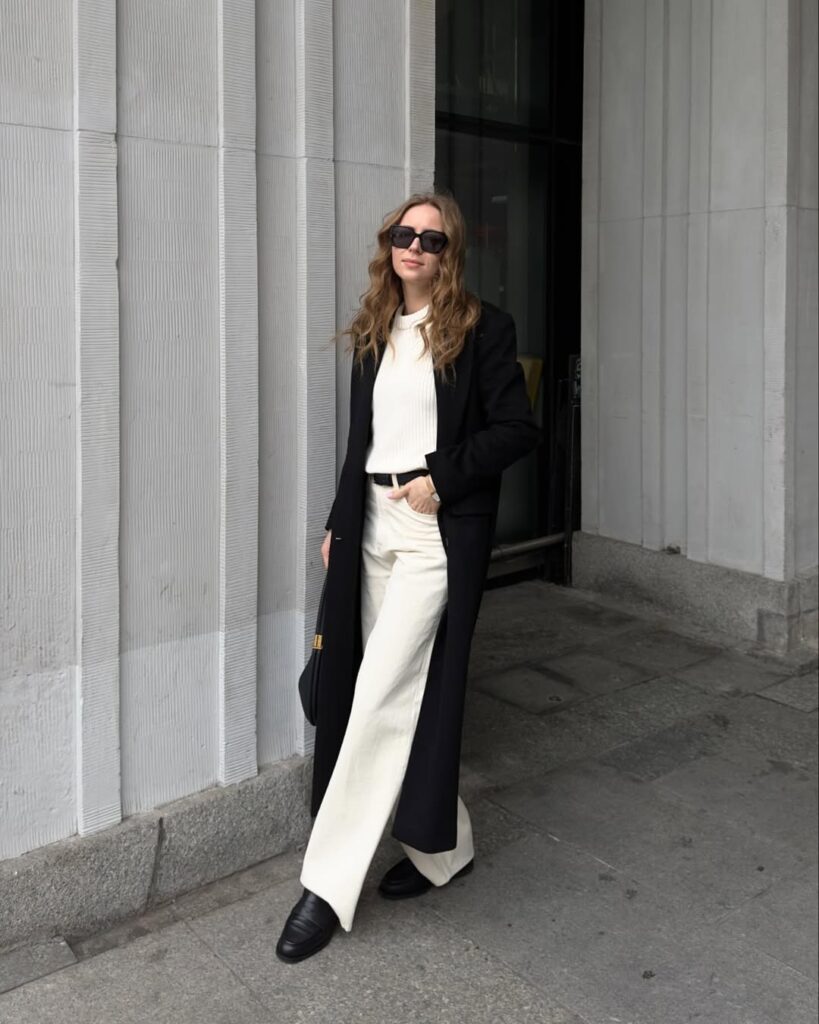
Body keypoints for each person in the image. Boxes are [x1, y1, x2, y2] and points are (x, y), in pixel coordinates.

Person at [276, 192, 540, 963]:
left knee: (383, 693)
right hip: (369, 525)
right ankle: (442, 848)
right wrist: (336, 519)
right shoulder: (374, 327)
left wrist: (441, 477)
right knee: (388, 690)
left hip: (433, 533)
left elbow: (515, 429)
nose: (414, 246)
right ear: (388, 243)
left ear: (448, 250)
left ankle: (325, 885)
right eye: (403, 234)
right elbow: (361, 438)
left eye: (430, 237)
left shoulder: (482, 329)